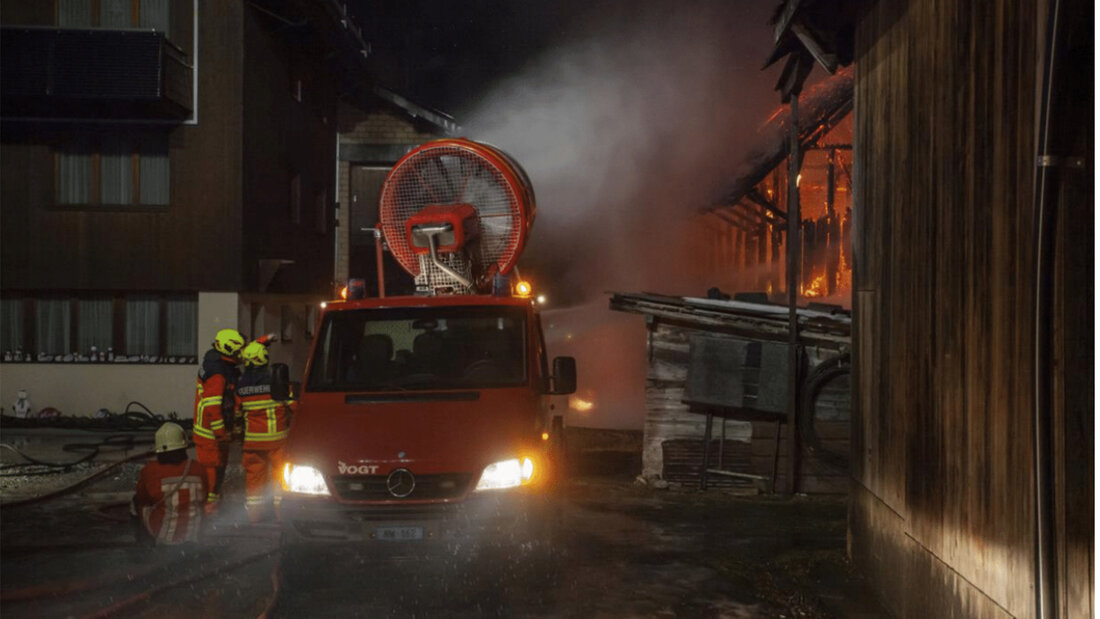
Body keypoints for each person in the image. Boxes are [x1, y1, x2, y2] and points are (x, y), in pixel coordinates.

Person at [236, 340, 293, 523]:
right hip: (277, 442)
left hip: (251, 443)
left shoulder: (241, 385)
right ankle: (281, 516)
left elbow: (237, 413)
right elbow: (294, 405)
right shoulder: (277, 382)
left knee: (254, 481)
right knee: (280, 478)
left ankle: (254, 517)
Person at [193, 328, 245, 514]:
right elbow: (213, 409)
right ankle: (209, 509)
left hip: (213, 432)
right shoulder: (218, 374)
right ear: (229, 349)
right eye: (238, 350)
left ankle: (212, 503)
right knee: (213, 471)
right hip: (210, 433)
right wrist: (221, 433)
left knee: (219, 467)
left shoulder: (218, 362)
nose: (241, 354)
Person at [132, 422, 207, 546]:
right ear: (183, 447)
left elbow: (142, 498)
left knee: (135, 503)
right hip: (193, 536)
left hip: (164, 537)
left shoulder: (150, 471)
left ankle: (145, 546)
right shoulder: (198, 468)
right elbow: (205, 496)